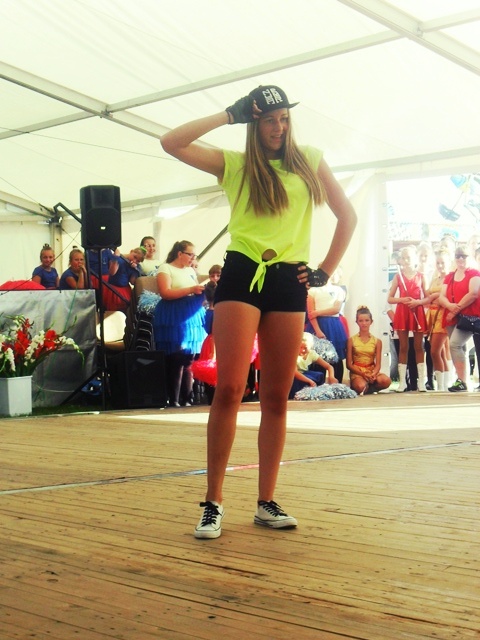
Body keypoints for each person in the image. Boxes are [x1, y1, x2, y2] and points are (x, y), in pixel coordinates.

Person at [160, 83, 357, 538]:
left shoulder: (309, 159)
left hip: (289, 280)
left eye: (284, 118)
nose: (278, 127)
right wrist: (228, 115)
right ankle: (213, 501)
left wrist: (324, 271)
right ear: (255, 122)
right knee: (230, 388)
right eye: (269, 119)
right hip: (242, 273)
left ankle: (266, 501)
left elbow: (348, 216)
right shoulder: (236, 164)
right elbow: (171, 142)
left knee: (275, 395)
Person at [153, 240, 206, 407]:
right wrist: (190, 290)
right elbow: (165, 292)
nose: (192, 258)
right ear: (179, 254)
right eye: (190, 254)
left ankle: (187, 398)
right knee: (176, 357)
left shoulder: (190, 270)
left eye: (194, 255)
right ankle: (174, 398)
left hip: (191, 314)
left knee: (190, 357)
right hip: (174, 314)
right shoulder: (166, 268)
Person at [437, 245, 480, 392]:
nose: (460, 258)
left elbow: (473, 293)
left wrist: (455, 309)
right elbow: (441, 296)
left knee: (455, 344)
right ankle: (463, 380)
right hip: (453, 317)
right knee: (459, 348)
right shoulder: (450, 276)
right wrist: (450, 306)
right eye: (458, 256)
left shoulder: (474, 273)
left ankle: (461, 380)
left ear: (469, 257)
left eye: (464, 256)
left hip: (470, 316)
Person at [387, 245, 429, 392]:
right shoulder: (398, 277)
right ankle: (402, 382)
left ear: (415, 258)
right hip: (402, 312)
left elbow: (428, 298)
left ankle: (421, 382)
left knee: (419, 346)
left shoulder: (421, 276)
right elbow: (390, 298)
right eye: (403, 258)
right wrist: (402, 300)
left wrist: (418, 302)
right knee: (403, 347)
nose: (406, 261)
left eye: (408, 258)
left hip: (417, 311)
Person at [305, 266, 348, 382]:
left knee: (336, 357)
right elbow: (311, 313)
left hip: (334, 326)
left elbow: (336, 309)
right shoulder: (312, 290)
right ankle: (318, 384)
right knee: (317, 358)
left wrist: (318, 312)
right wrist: (318, 331)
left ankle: (337, 385)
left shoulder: (339, 290)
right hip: (317, 326)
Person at [346, 306, 391, 395]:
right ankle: (362, 387)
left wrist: (373, 374)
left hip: (371, 370)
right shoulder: (351, 340)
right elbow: (349, 365)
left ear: (371, 322)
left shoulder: (377, 341)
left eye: (367, 320)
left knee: (386, 381)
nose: (364, 323)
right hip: (357, 372)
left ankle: (369, 388)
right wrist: (362, 374)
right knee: (360, 386)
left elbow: (378, 365)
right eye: (361, 321)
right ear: (357, 322)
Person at [425, 249, 450, 391]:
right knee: (440, 352)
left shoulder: (450, 278)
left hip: (443, 316)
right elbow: (429, 296)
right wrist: (433, 298)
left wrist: (434, 297)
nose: (440, 266)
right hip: (432, 315)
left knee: (434, 351)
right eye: (438, 263)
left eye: (443, 263)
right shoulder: (435, 279)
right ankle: (445, 384)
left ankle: (441, 385)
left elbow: (444, 297)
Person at [289, 332, 337, 399]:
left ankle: (317, 392)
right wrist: (309, 381)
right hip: (294, 376)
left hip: (304, 373)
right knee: (295, 381)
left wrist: (331, 377)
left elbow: (329, 366)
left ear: (310, 347)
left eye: (305, 348)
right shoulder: (293, 353)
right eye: (300, 347)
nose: (303, 350)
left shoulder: (311, 354)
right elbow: (295, 372)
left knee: (319, 375)